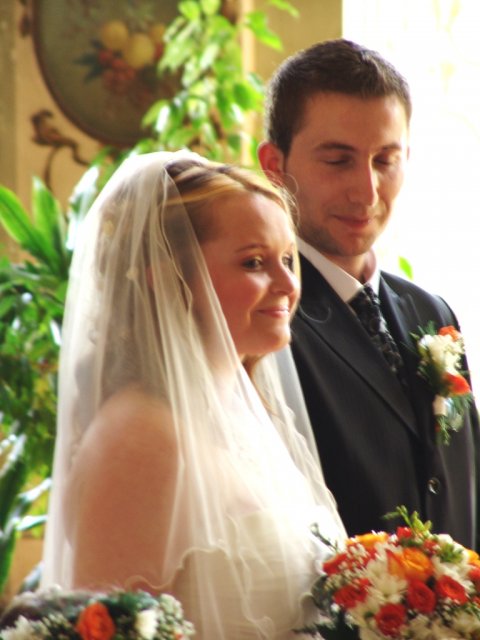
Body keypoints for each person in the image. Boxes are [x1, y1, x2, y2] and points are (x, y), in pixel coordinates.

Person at [40, 150, 346, 639]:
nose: (288, 284)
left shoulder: (245, 414)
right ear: (169, 280)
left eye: (288, 259)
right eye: (254, 262)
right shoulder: (137, 439)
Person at [258, 38, 480, 550]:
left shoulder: (431, 310)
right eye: (338, 160)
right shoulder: (261, 315)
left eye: (385, 160)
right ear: (274, 165)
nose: (367, 190)